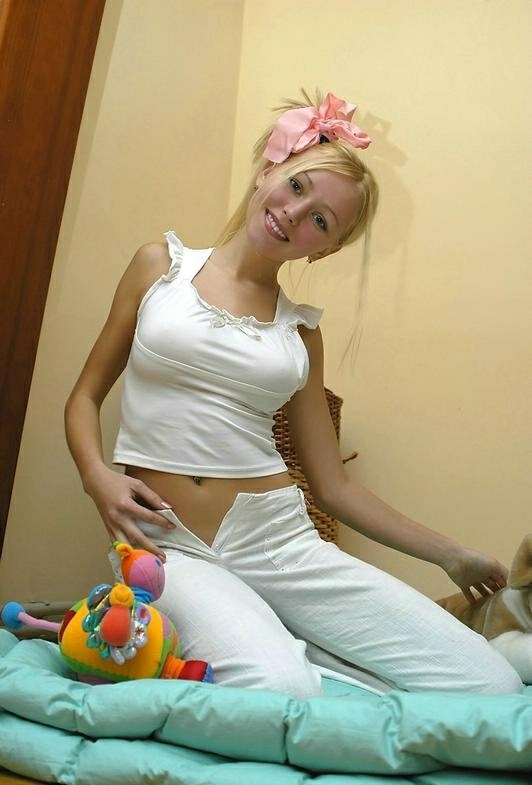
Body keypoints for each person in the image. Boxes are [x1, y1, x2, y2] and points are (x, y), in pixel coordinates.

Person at [65, 90, 522, 698]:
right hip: (166, 542)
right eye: (298, 186)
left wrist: (449, 554)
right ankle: (297, 652)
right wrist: (98, 478)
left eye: (321, 221)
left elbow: (334, 487)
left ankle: (309, 644)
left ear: (324, 249)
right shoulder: (159, 268)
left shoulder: (301, 332)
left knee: (490, 683)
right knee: (283, 688)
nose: (295, 213)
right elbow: (85, 396)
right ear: (269, 169)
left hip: (278, 539)